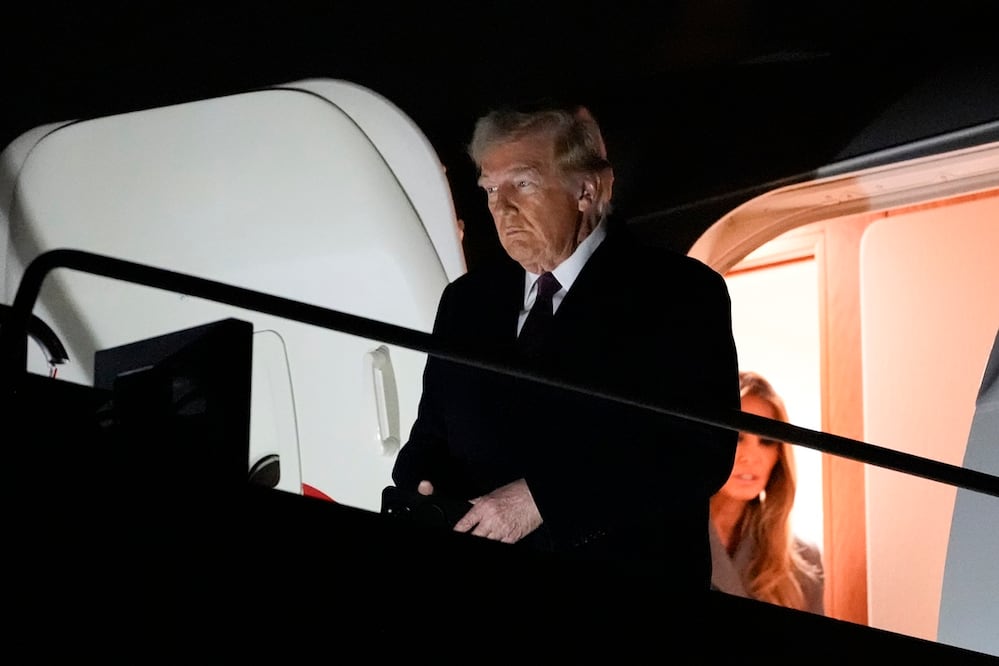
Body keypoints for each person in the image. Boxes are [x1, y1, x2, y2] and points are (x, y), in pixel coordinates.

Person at [389, 103, 740, 590]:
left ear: (588, 189)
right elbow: (432, 435)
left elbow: (697, 453)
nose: (500, 207)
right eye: (490, 188)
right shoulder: (467, 302)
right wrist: (421, 484)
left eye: (523, 183)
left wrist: (539, 502)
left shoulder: (678, 292)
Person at [709, 370, 826, 614]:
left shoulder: (805, 563)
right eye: (737, 438)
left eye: (766, 441)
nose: (750, 457)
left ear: (779, 455)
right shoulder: (660, 534)